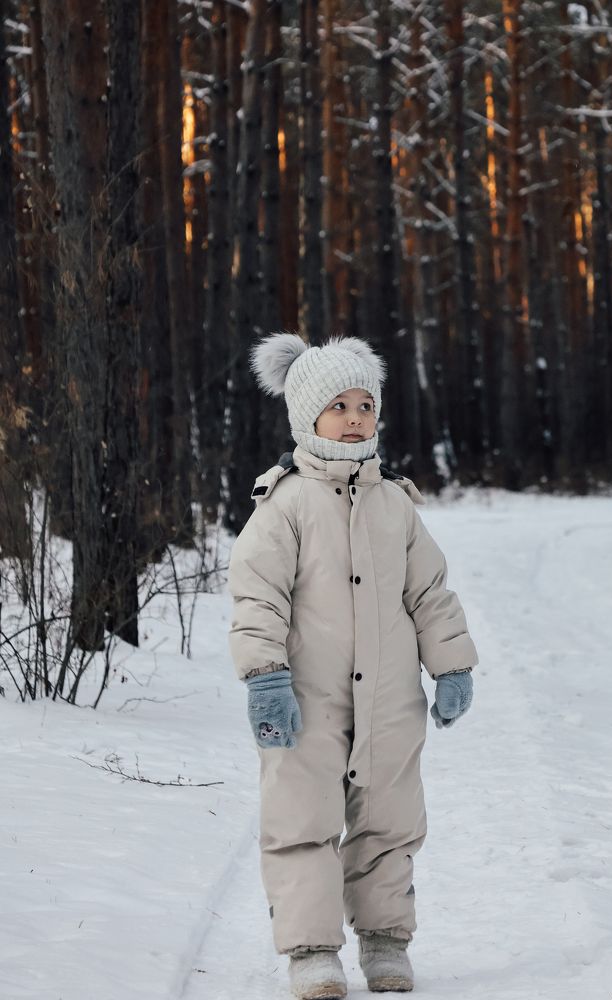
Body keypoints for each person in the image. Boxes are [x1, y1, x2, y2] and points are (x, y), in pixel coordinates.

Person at [228, 333, 478, 1000]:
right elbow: (257, 595)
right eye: (338, 404)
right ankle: (312, 951)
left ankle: (386, 940)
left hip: (391, 699)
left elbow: (429, 592)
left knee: (390, 821)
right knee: (302, 818)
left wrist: (451, 666)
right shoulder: (284, 503)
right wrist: (264, 676)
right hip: (305, 697)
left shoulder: (394, 503)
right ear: (307, 415)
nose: (354, 416)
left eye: (365, 404)